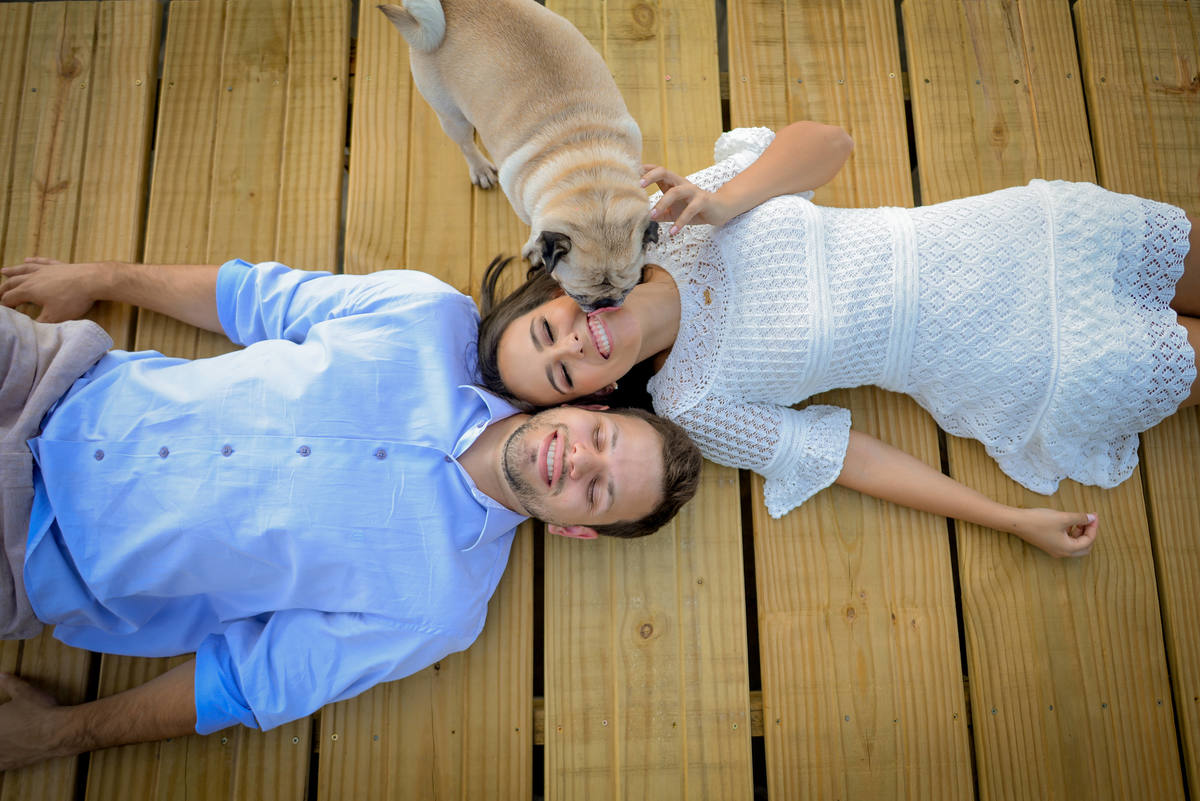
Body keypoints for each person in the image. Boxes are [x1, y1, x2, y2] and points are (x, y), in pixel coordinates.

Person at [0, 257, 701, 770]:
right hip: (50, 377)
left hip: (33, 553)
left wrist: (56, 736)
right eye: (601, 438)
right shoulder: (429, 314)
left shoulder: (439, 607)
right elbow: (252, 298)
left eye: (598, 491)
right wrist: (100, 277)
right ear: (587, 406)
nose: (578, 461)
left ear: (574, 528)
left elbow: (244, 681)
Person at [478, 121, 1200, 560]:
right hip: (1013, 360)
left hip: (1018, 236)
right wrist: (1011, 521)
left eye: (547, 331)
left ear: (561, 291)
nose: (573, 345)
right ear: (596, 396)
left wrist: (724, 203)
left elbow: (829, 146)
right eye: (562, 375)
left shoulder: (672, 218)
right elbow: (850, 457)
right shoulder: (694, 403)